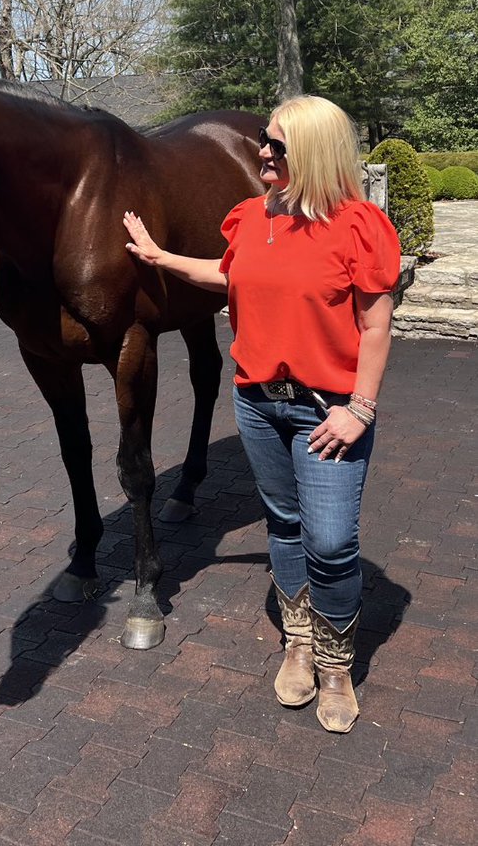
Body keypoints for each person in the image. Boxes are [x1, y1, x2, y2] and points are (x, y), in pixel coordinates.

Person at [123, 94, 400, 734]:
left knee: (330, 541)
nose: (262, 152)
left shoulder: (358, 225)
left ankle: (335, 660)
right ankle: (299, 644)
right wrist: (162, 258)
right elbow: (230, 275)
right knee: (282, 524)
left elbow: (377, 327)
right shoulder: (251, 217)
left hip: (329, 410)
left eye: (275, 144)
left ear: (312, 154)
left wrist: (360, 408)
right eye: (262, 141)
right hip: (258, 404)